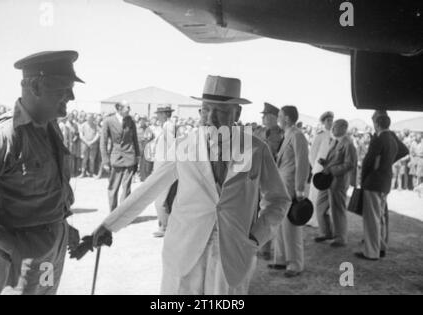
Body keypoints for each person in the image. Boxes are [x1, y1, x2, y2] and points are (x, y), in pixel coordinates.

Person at [92, 75, 290, 295]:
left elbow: (279, 199)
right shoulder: (183, 146)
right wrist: (110, 225)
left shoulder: (256, 149)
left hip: (232, 254)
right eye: (205, 110)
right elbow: (150, 188)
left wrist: (256, 235)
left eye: (221, 111)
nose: (211, 118)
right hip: (183, 252)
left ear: (237, 113)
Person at [0, 50, 83, 294]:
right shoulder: (4, 136)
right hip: (19, 257)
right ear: (35, 86)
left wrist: (61, 224)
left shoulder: (51, 128)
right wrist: (10, 245)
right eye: (63, 88)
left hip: (50, 250)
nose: (72, 96)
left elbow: (47, 191)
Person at [355, 111, 408, 260]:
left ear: (377, 124)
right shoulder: (391, 138)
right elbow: (404, 150)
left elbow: (368, 161)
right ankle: (381, 246)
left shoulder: (378, 139)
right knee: (380, 216)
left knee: (371, 218)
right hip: (385, 181)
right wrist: (387, 162)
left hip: (373, 182)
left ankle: (371, 252)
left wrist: (363, 178)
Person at [272, 105, 310, 278]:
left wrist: (300, 188)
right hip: (282, 187)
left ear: (287, 118)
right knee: (281, 224)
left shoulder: (297, 135)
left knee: (291, 227)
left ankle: (295, 264)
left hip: (291, 188)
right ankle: (281, 259)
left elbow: (302, 163)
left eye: (280, 115)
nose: (278, 118)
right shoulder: (287, 135)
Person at [315, 119, 357, 247]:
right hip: (327, 180)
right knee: (320, 205)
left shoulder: (348, 144)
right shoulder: (334, 141)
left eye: (335, 127)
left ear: (344, 128)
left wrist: (331, 169)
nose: (332, 129)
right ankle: (326, 232)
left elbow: (350, 164)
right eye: (332, 127)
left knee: (337, 210)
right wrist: (325, 163)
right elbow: (334, 160)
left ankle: (341, 238)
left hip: (338, 182)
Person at [256, 102, 284, 260]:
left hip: (271, 178)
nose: (263, 117)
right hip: (257, 177)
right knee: (257, 212)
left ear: (274, 117)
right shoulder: (260, 131)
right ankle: (260, 246)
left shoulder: (280, 134)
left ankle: (267, 249)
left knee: (269, 212)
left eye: (266, 115)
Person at [100, 102, 140, 212]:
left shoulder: (130, 121)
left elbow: (135, 139)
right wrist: (105, 161)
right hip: (116, 158)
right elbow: (103, 142)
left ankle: (122, 214)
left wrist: (137, 156)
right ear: (119, 108)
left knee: (127, 188)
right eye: (127, 107)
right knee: (113, 187)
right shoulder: (108, 121)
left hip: (130, 157)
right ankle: (113, 213)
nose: (129, 109)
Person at [152, 106, 177, 238]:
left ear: (164, 114)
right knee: (167, 198)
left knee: (160, 199)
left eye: (159, 113)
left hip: (165, 168)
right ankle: (167, 226)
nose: (157, 116)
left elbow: (172, 146)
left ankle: (164, 227)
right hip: (164, 166)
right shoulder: (166, 126)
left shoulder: (168, 126)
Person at [308, 111, 334, 228]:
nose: (330, 122)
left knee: (324, 196)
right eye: (328, 120)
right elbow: (312, 153)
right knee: (314, 194)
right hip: (318, 168)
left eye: (331, 120)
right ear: (323, 122)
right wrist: (315, 167)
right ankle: (312, 219)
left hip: (329, 169)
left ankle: (321, 219)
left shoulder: (334, 135)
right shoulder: (320, 135)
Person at [78, 113, 100, 177]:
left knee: (92, 159)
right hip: (84, 144)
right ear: (86, 118)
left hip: (93, 145)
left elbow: (97, 135)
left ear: (93, 118)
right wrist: (87, 142)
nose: (89, 118)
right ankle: (83, 173)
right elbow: (81, 135)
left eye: (91, 117)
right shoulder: (83, 125)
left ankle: (91, 173)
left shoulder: (96, 125)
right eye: (88, 117)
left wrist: (92, 142)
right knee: (84, 159)